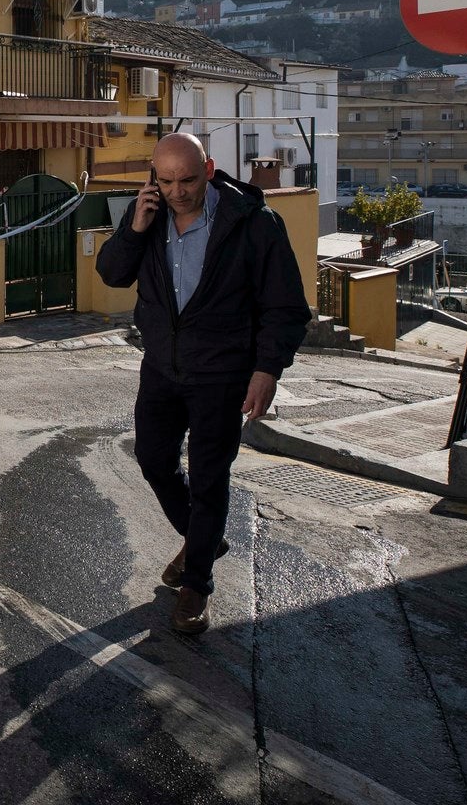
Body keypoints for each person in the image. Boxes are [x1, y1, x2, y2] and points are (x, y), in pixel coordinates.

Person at [97, 133, 311, 636]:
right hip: (162, 369)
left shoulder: (254, 224)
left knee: (211, 478)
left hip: (222, 373)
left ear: (209, 169)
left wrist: (267, 370)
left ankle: (197, 586)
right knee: (153, 461)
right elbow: (110, 274)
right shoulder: (145, 215)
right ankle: (203, 540)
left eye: (188, 179)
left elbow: (285, 308)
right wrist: (134, 227)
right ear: (154, 177)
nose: (178, 191)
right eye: (166, 181)